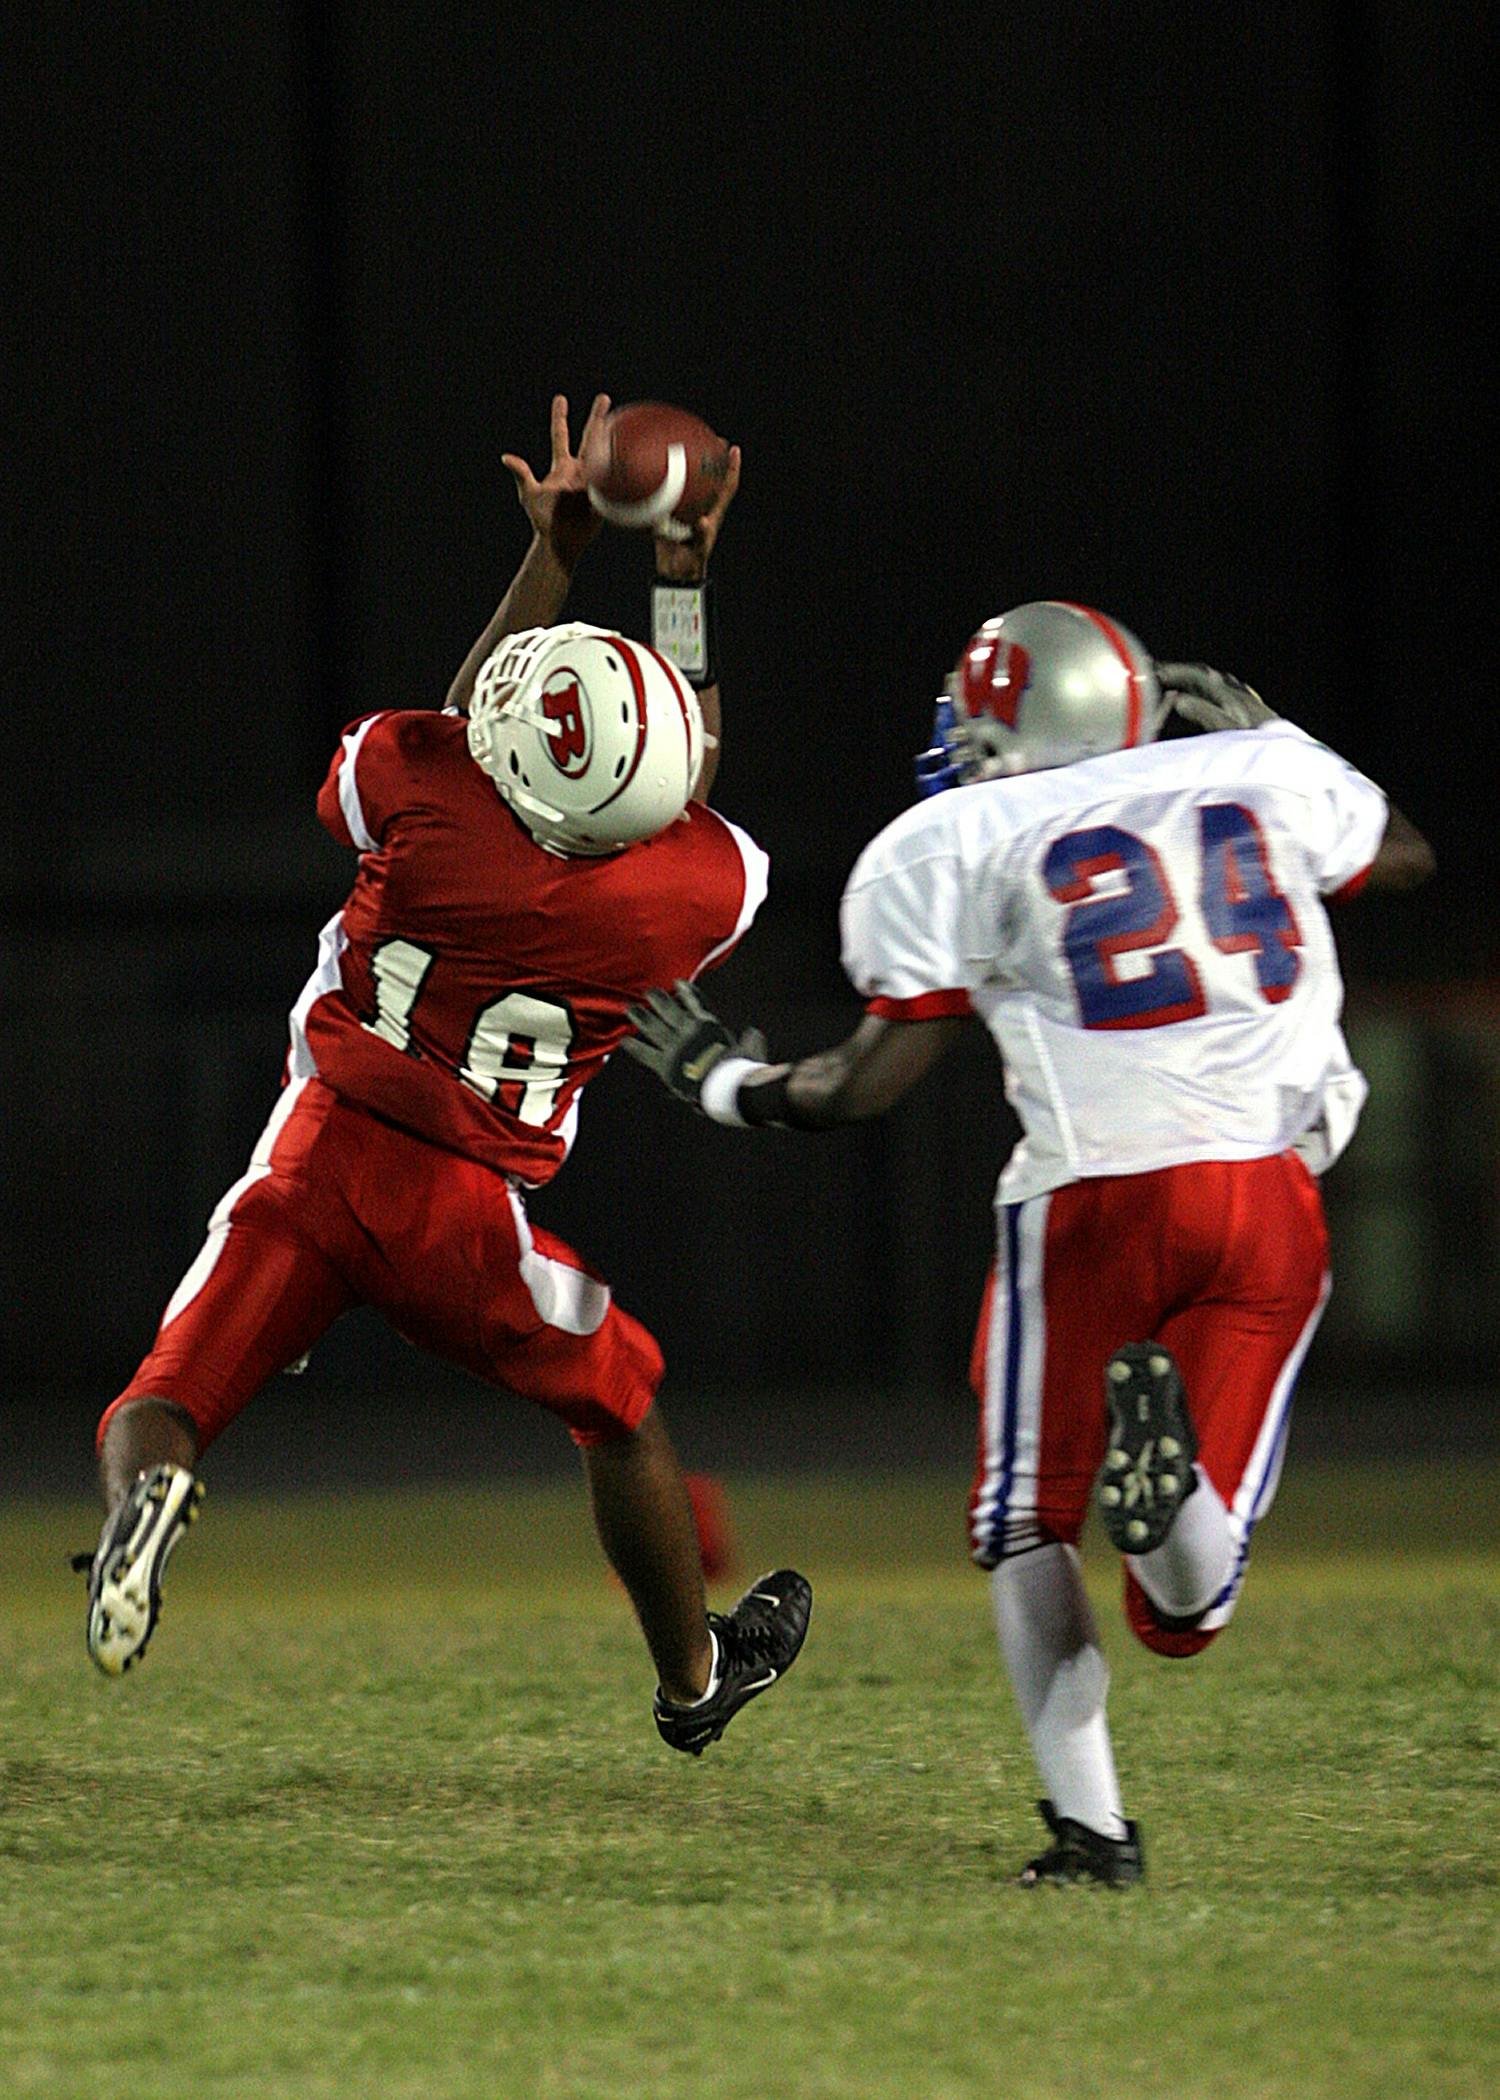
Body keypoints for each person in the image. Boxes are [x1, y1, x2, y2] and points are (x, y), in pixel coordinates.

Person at [625, 599, 1433, 1877]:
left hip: (1092, 1202)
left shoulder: (950, 837)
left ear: (1013, 727)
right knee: (1188, 1609)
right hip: (1269, 1197)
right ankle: (1167, 1522)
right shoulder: (1259, 771)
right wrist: (1283, 733)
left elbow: (859, 1084)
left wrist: (728, 1079)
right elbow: (1397, 854)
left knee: (1022, 1518)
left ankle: (1092, 1834)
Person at [76, 392, 811, 1754]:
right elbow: (693, 766)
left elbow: (470, 715)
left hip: (318, 1146)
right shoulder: (685, 894)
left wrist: (552, 558)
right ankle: (696, 1679)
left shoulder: (425, 790)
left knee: (167, 1394)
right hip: (465, 1212)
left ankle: (144, 1509)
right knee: (624, 1411)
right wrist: (682, 576)